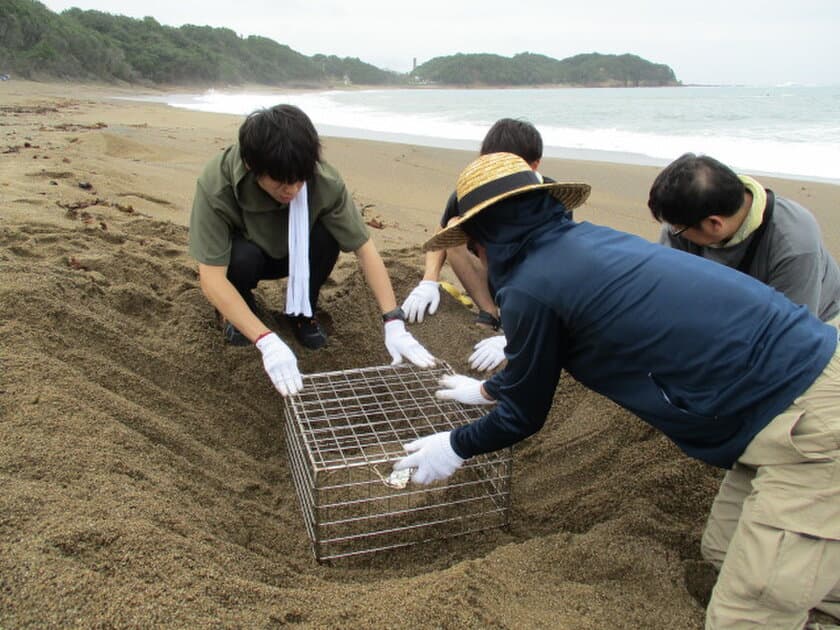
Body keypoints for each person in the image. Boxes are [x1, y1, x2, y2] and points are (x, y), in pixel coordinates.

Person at [393, 152, 840, 628]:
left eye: (473, 243)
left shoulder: (529, 287)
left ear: (487, 239)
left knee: (749, 608)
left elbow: (526, 415)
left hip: (806, 421)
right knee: (723, 550)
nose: (476, 255)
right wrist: (488, 390)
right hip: (781, 391)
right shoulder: (586, 242)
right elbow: (542, 357)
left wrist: (456, 445)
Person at [189, 104, 434, 396]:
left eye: (299, 179)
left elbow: (365, 250)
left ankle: (302, 310)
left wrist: (393, 321)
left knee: (327, 236)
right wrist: (266, 340)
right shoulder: (217, 184)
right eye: (281, 182)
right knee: (241, 258)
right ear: (253, 166)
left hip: (298, 257)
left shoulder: (323, 181)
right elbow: (211, 277)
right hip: (246, 257)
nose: (292, 190)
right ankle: (237, 310)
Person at [401, 118, 585, 372]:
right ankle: (490, 313)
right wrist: (429, 281)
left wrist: (521, 333)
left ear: (533, 166)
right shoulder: (474, 190)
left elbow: (555, 273)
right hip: (491, 275)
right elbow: (443, 229)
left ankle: (513, 323)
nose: (496, 175)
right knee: (456, 226)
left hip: (532, 284)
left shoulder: (550, 200)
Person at [649, 153, 840, 324]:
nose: (672, 232)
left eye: (677, 229)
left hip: (816, 324)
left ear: (715, 224)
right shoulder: (686, 215)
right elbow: (669, 290)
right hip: (730, 310)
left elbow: (794, 333)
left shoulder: (793, 243)